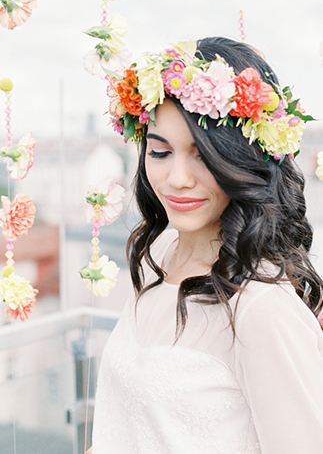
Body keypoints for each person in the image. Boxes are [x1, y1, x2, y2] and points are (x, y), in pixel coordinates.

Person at [87, 36, 323, 454]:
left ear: (245, 160)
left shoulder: (260, 308)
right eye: (160, 152)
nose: (177, 178)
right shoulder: (160, 255)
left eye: (203, 156)